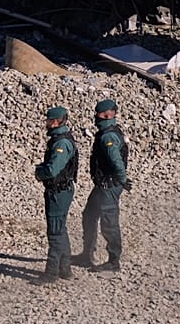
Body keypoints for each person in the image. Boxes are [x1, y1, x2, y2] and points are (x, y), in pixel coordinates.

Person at [76, 98, 129, 272]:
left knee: (109, 222)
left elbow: (116, 162)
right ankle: (87, 254)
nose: (95, 117)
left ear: (108, 115)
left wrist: (121, 179)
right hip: (102, 184)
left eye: (99, 114)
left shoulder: (108, 136)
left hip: (109, 184)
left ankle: (113, 261)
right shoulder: (107, 132)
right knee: (89, 215)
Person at [32, 106, 78, 283]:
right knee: (61, 230)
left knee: (55, 232)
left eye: (49, 120)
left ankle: (51, 273)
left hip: (58, 191)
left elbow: (53, 169)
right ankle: (65, 269)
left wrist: (39, 172)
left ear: (57, 121)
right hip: (61, 190)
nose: (46, 123)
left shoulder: (61, 143)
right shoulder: (61, 139)